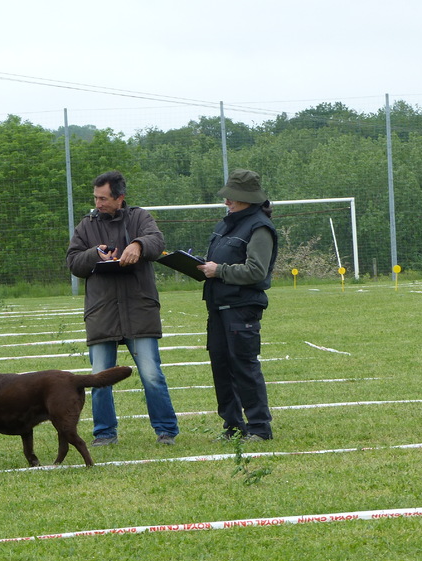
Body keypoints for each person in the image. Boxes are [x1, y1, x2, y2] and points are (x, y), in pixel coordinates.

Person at [66, 170, 179, 446]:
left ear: (120, 198)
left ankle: (166, 431)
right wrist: (94, 254)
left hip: (139, 311)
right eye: (96, 198)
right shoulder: (86, 225)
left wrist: (138, 245)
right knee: (99, 378)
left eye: (103, 198)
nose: (98, 203)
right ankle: (104, 433)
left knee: (152, 374)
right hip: (102, 313)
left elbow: (157, 241)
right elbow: (72, 262)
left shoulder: (140, 217)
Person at [198, 169, 278, 441]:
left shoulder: (259, 228)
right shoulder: (226, 224)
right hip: (217, 308)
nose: (226, 201)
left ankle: (259, 427)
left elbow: (256, 271)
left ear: (247, 198)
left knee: (244, 367)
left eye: (231, 196)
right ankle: (232, 426)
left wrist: (218, 270)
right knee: (221, 367)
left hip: (241, 308)